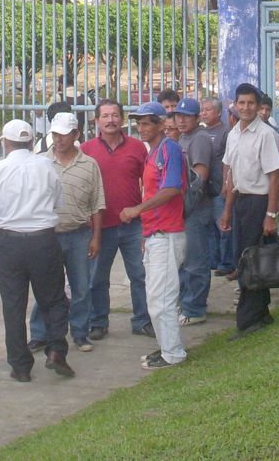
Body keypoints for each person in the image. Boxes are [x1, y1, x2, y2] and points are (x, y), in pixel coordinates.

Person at [0, 119, 75, 381]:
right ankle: (56, 350)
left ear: (4, 143)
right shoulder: (46, 166)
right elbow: (58, 203)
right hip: (43, 240)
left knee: (13, 305)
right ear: (31, 142)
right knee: (53, 300)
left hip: (10, 240)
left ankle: (20, 366)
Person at [28, 112, 105, 354]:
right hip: (48, 235)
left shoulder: (89, 165)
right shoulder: (40, 162)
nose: (59, 139)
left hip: (79, 234)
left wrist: (96, 237)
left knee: (81, 287)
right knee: (45, 287)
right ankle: (40, 334)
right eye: (55, 134)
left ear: (76, 135)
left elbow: (97, 204)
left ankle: (80, 333)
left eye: (64, 135)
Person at [121, 101, 187, 369]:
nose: (142, 127)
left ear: (161, 124)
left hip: (167, 233)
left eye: (147, 122)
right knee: (156, 298)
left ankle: (173, 353)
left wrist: (138, 209)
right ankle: (166, 348)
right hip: (155, 234)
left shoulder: (169, 149)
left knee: (161, 299)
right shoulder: (154, 151)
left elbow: (172, 188)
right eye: (139, 122)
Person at [81, 99, 154, 341]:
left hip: (133, 225)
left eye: (115, 115)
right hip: (100, 227)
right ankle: (98, 322)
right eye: (105, 116)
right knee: (97, 279)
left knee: (140, 275)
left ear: (122, 119)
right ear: (96, 120)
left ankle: (142, 320)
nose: (110, 120)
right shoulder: (86, 149)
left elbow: (148, 183)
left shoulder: (138, 147)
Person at [219, 84, 279, 336]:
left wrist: (271, 215)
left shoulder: (265, 135)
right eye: (241, 103)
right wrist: (226, 210)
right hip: (241, 203)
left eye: (251, 104)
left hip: (259, 203)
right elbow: (232, 175)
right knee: (249, 258)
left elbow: (275, 177)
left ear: (258, 107)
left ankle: (248, 320)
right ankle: (262, 312)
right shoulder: (234, 132)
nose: (246, 108)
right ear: (235, 104)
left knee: (250, 261)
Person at [175, 98, 213, 326]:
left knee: (195, 261)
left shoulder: (199, 138)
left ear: (197, 118)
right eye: (178, 115)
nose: (181, 119)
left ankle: (195, 308)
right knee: (184, 260)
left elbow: (199, 178)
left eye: (186, 116)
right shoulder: (184, 137)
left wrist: (185, 207)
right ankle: (186, 302)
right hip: (185, 209)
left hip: (195, 209)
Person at [199, 97, 235, 276]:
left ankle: (227, 262)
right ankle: (213, 260)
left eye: (208, 110)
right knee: (209, 229)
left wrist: (226, 185)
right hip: (205, 190)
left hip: (221, 188)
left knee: (224, 226)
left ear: (219, 113)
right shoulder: (201, 133)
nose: (204, 113)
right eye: (202, 110)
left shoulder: (225, 133)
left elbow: (229, 162)